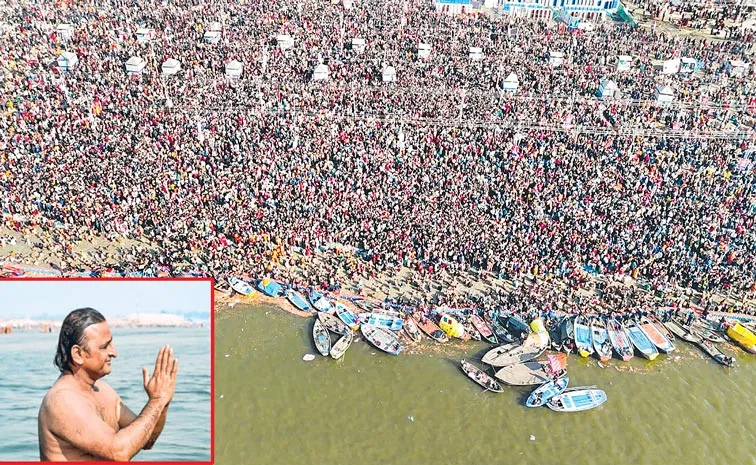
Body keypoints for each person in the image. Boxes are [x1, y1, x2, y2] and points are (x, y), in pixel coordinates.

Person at [38, 308, 179, 462]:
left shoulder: (104, 391)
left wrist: (163, 401)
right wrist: (156, 401)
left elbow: (147, 440)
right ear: (78, 354)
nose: (114, 353)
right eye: (105, 347)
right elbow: (119, 452)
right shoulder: (62, 401)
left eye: (111, 344)